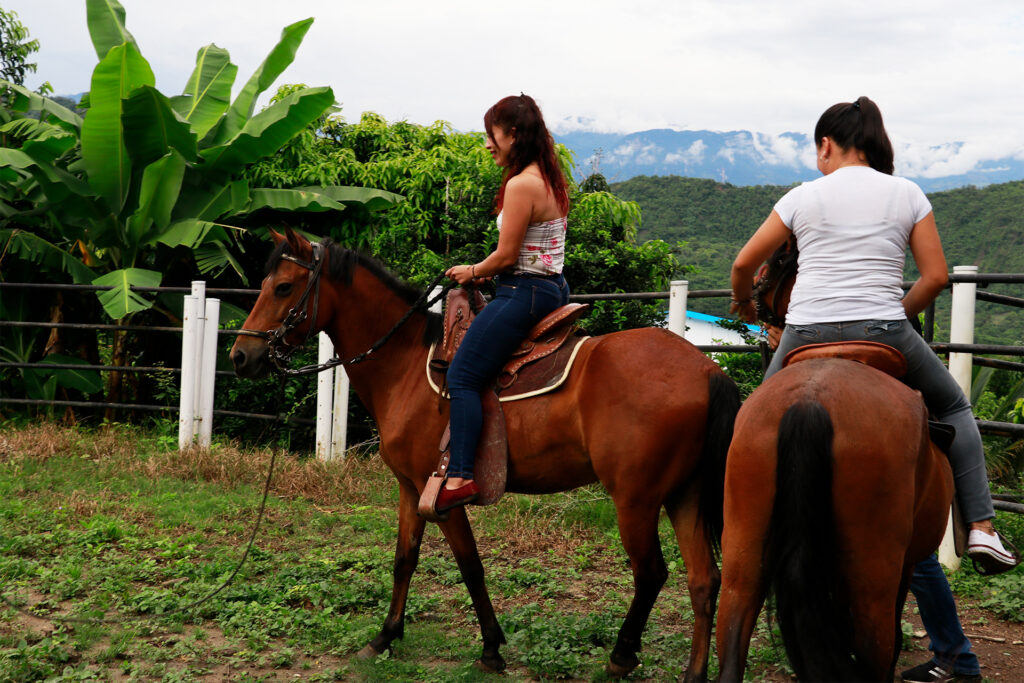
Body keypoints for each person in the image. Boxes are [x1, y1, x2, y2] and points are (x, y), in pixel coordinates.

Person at [729, 95, 1016, 575]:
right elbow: (935, 278)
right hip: (884, 328)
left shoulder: (801, 197)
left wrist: (742, 301)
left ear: (826, 145)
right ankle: (983, 528)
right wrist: (891, 318)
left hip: (803, 332)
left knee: (751, 421)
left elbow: (742, 265)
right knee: (954, 407)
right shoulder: (907, 193)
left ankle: (740, 521)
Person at [436, 94, 571, 513]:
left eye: (491, 135)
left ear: (512, 134)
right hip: (551, 287)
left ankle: (459, 476)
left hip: (522, 292)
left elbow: (505, 257)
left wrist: (471, 271)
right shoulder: (547, 177)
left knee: (462, 376)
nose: (488, 144)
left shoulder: (521, 184)